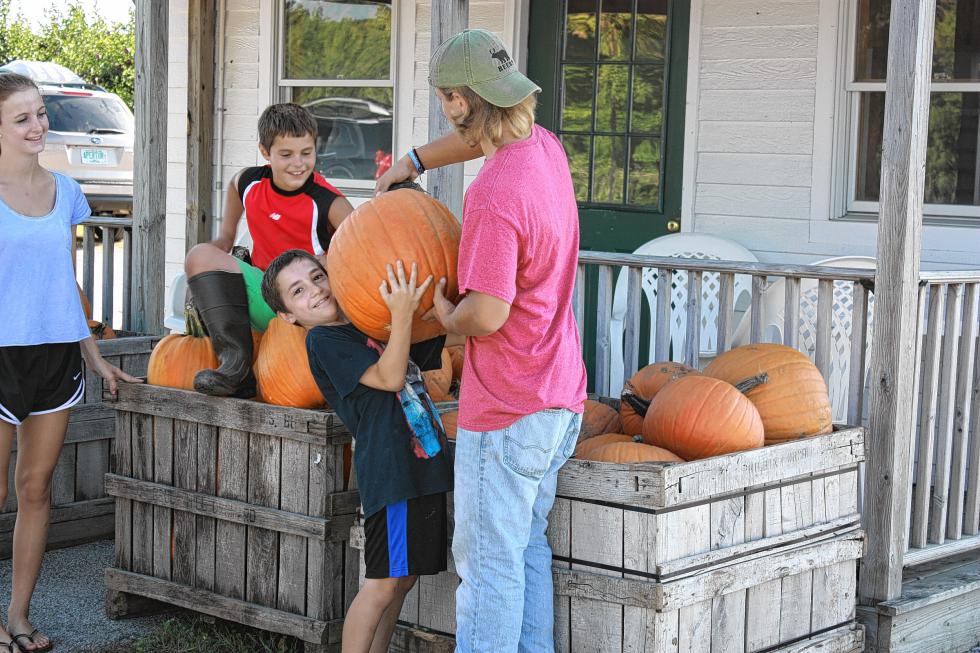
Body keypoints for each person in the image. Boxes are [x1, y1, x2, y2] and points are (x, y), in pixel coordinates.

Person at [378, 28, 588, 652]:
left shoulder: (495, 193)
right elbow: (478, 141)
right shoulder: (544, 148)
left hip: (506, 409)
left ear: (464, 101)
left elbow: (488, 314)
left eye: (447, 97)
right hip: (558, 397)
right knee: (524, 550)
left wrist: (444, 311)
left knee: (487, 567)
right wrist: (412, 163)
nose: (444, 107)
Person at [0, 72, 141, 653]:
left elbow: (66, 284)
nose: (38, 126)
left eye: (39, 114)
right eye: (22, 118)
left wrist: (99, 359)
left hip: (58, 355)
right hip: (1, 356)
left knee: (35, 491)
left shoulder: (68, 192)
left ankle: (19, 616)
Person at [260, 249, 456, 653]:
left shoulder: (365, 325)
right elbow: (389, 376)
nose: (315, 290)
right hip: (393, 472)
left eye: (317, 277)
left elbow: (427, 341)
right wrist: (400, 316)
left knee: (403, 579)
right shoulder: (324, 340)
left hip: (423, 466)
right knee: (382, 584)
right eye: (299, 291)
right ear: (288, 316)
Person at [182, 102, 355, 398]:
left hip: (305, 311)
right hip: (264, 297)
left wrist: (325, 259)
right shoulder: (249, 182)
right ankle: (236, 367)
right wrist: (218, 250)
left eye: (307, 153)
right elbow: (230, 212)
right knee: (198, 255)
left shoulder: (329, 203)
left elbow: (360, 253)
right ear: (265, 152)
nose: (298, 163)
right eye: (286, 155)